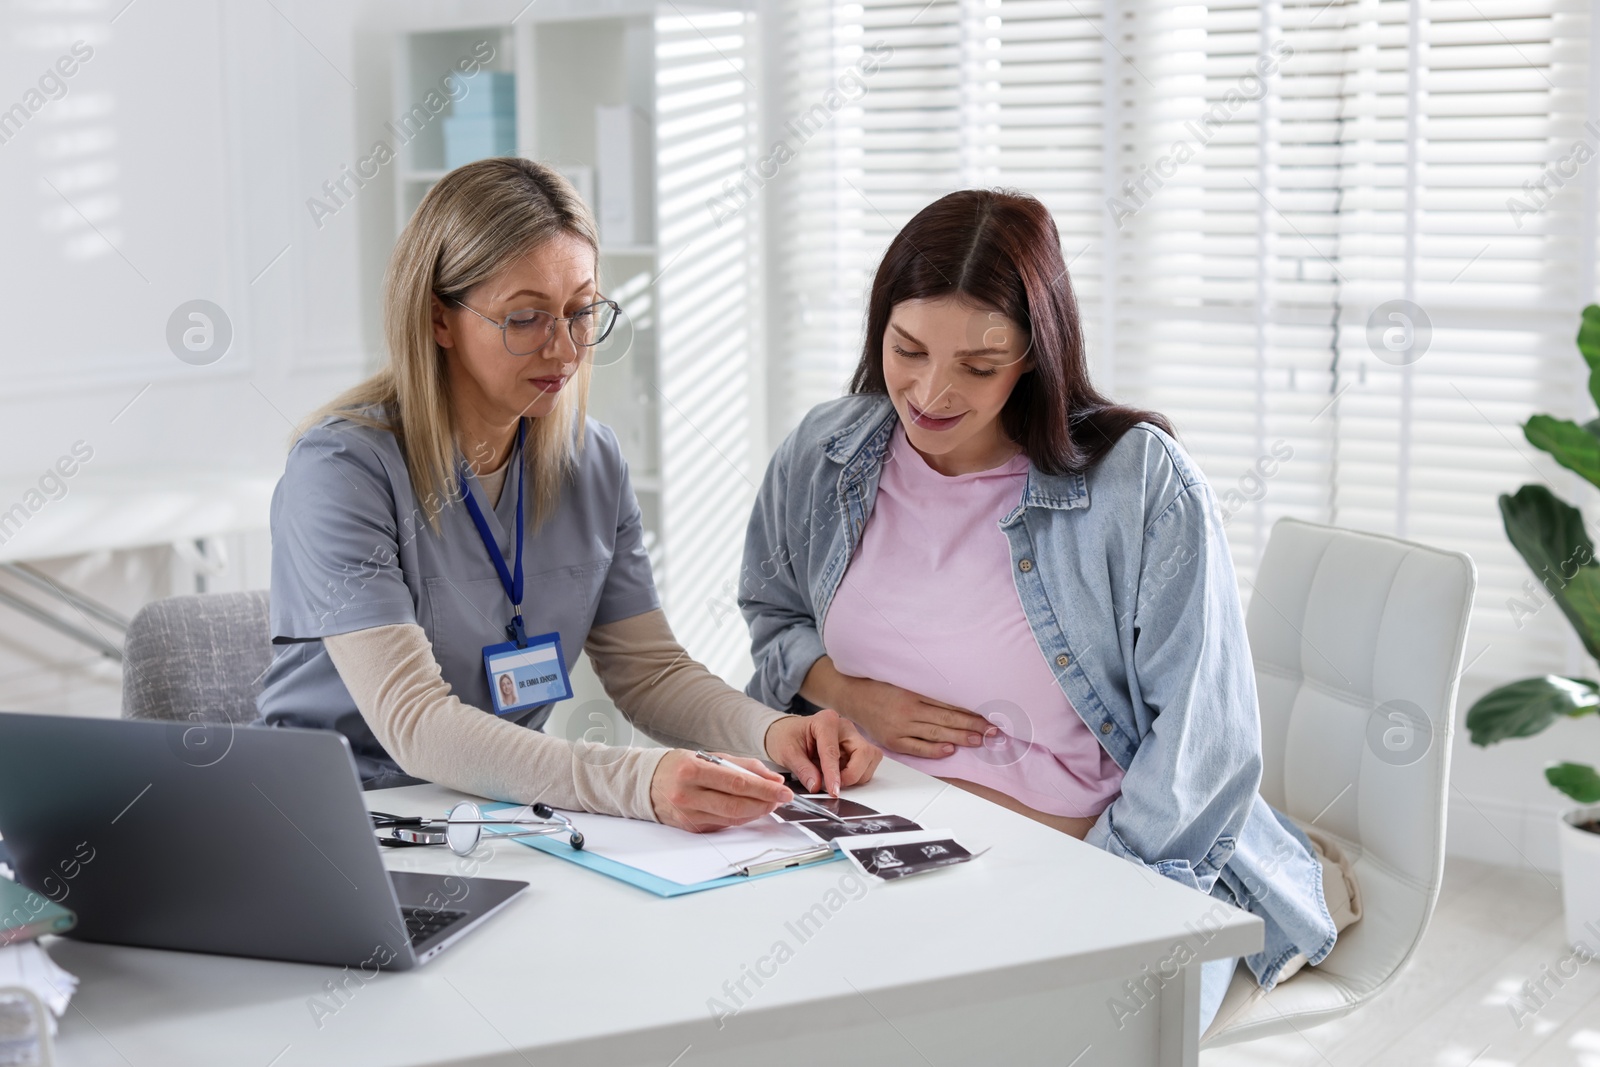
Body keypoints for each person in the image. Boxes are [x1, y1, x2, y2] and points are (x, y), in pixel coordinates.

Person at [737, 188, 1358, 1034]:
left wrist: (1093, 888)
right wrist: (847, 690)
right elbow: (773, 616)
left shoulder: (1138, 486)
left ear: (1035, 353)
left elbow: (1203, 746)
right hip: (864, 845)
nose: (929, 391)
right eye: (907, 349)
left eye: (979, 366)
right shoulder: (826, 451)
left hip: (1097, 862)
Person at [252, 157, 880, 833]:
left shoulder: (590, 460)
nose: (565, 349)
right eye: (525, 318)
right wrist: (634, 779)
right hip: (338, 822)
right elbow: (415, 722)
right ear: (439, 319)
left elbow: (650, 672)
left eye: (581, 312)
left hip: (500, 814)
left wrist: (770, 732)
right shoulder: (342, 471)